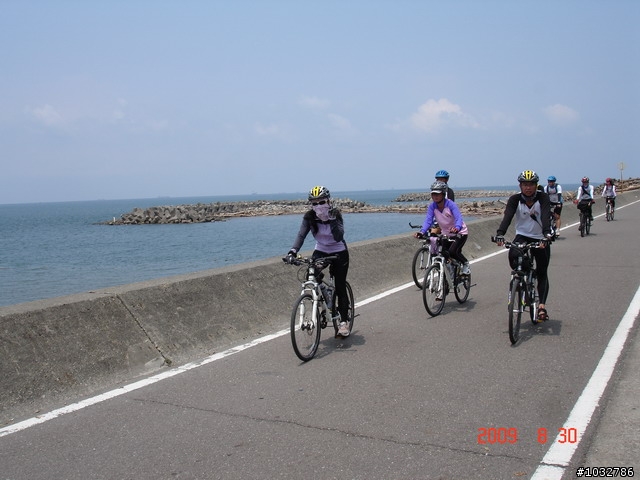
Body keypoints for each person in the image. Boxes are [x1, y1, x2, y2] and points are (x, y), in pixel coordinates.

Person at [285, 186, 351, 337]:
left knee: (340, 285)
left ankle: (343, 322)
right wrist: (293, 251)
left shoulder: (335, 214)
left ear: (328, 201)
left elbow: (339, 236)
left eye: (321, 202)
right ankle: (325, 293)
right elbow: (301, 235)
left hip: (339, 252)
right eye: (314, 203)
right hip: (321, 250)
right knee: (311, 274)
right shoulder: (310, 217)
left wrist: (331, 220)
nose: (318, 206)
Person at [494, 170, 553, 322]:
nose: (528, 187)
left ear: (536, 185)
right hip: (522, 235)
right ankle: (523, 281)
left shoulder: (543, 198)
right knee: (514, 256)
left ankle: (541, 306)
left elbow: (546, 216)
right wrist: (500, 233)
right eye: (525, 184)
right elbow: (508, 216)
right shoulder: (515, 199)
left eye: (531, 184)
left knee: (542, 272)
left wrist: (547, 235)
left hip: (540, 237)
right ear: (520, 186)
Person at [414, 180, 470, 275]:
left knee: (452, 252)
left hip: (460, 233)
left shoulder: (451, 204)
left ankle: (465, 263)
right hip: (446, 234)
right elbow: (428, 220)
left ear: (443, 194)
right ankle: (451, 271)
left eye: (438, 194)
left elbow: (459, 218)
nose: (435, 196)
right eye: (433, 194)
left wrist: (457, 227)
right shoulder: (432, 207)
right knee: (443, 253)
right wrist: (422, 232)